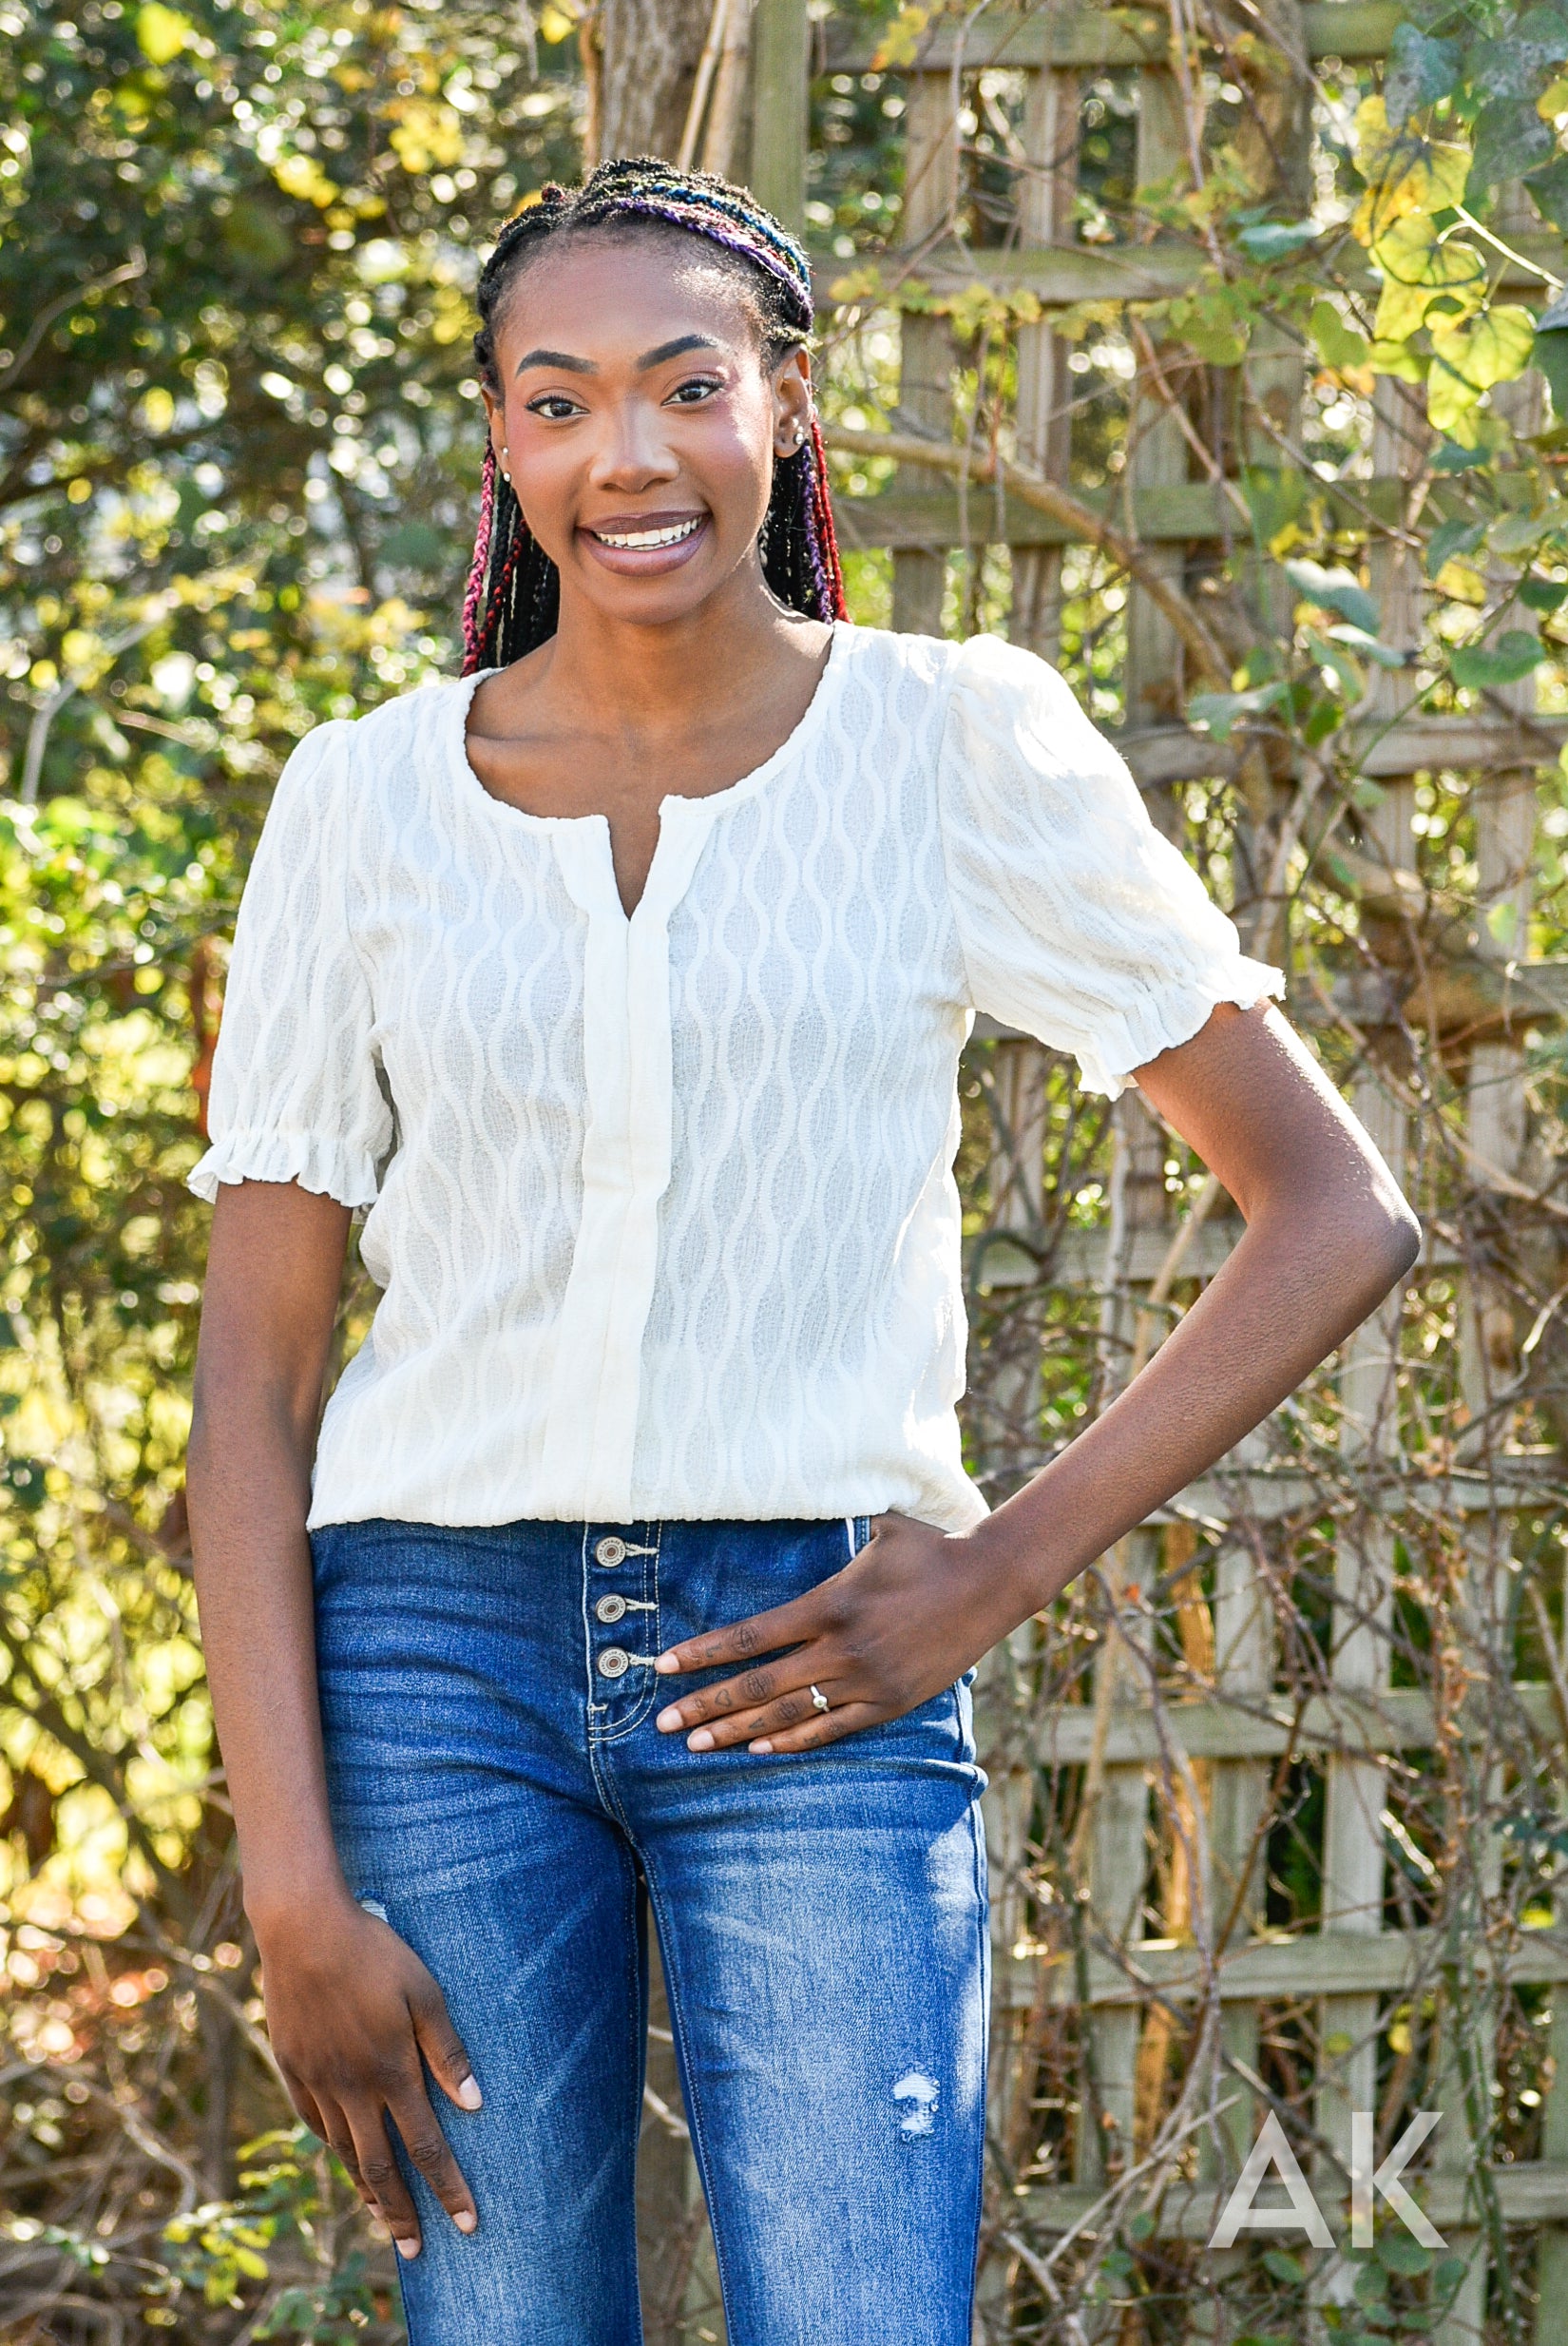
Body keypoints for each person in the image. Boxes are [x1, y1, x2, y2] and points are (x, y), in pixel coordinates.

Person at [185, 159, 1420, 2346]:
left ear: (786, 402)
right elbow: (258, 1381)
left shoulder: (951, 739)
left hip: (822, 1644)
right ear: (502, 441)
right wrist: (289, 1882)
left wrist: (990, 1570)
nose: (628, 454)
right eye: (559, 400)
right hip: (431, 1661)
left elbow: (1333, 1212)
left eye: (687, 385)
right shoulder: (358, 801)